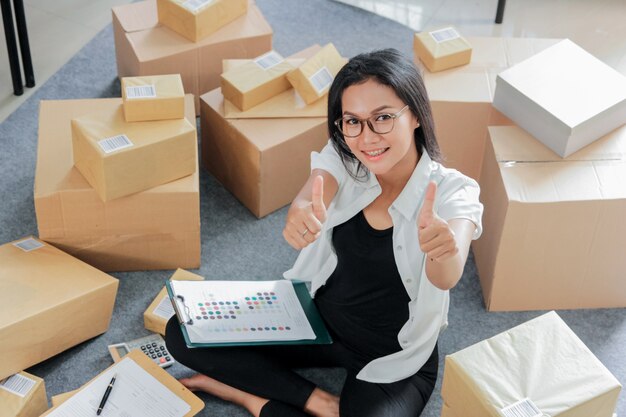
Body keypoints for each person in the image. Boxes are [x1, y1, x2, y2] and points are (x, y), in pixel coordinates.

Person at [165, 48, 483, 417]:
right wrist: (300, 211)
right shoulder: (346, 154)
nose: (367, 138)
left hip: (395, 355)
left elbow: (447, 275)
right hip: (317, 320)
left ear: (414, 115)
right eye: (352, 121)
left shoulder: (454, 192)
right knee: (182, 332)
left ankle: (250, 396)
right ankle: (318, 401)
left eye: (382, 118)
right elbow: (317, 186)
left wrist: (441, 251)